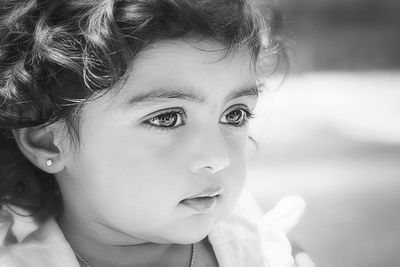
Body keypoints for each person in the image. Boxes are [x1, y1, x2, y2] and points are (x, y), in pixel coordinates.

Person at [0, 0, 315, 266]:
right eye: (166, 119)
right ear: (48, 144)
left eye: (235, 115)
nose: (217, 158)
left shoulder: (264, 249)